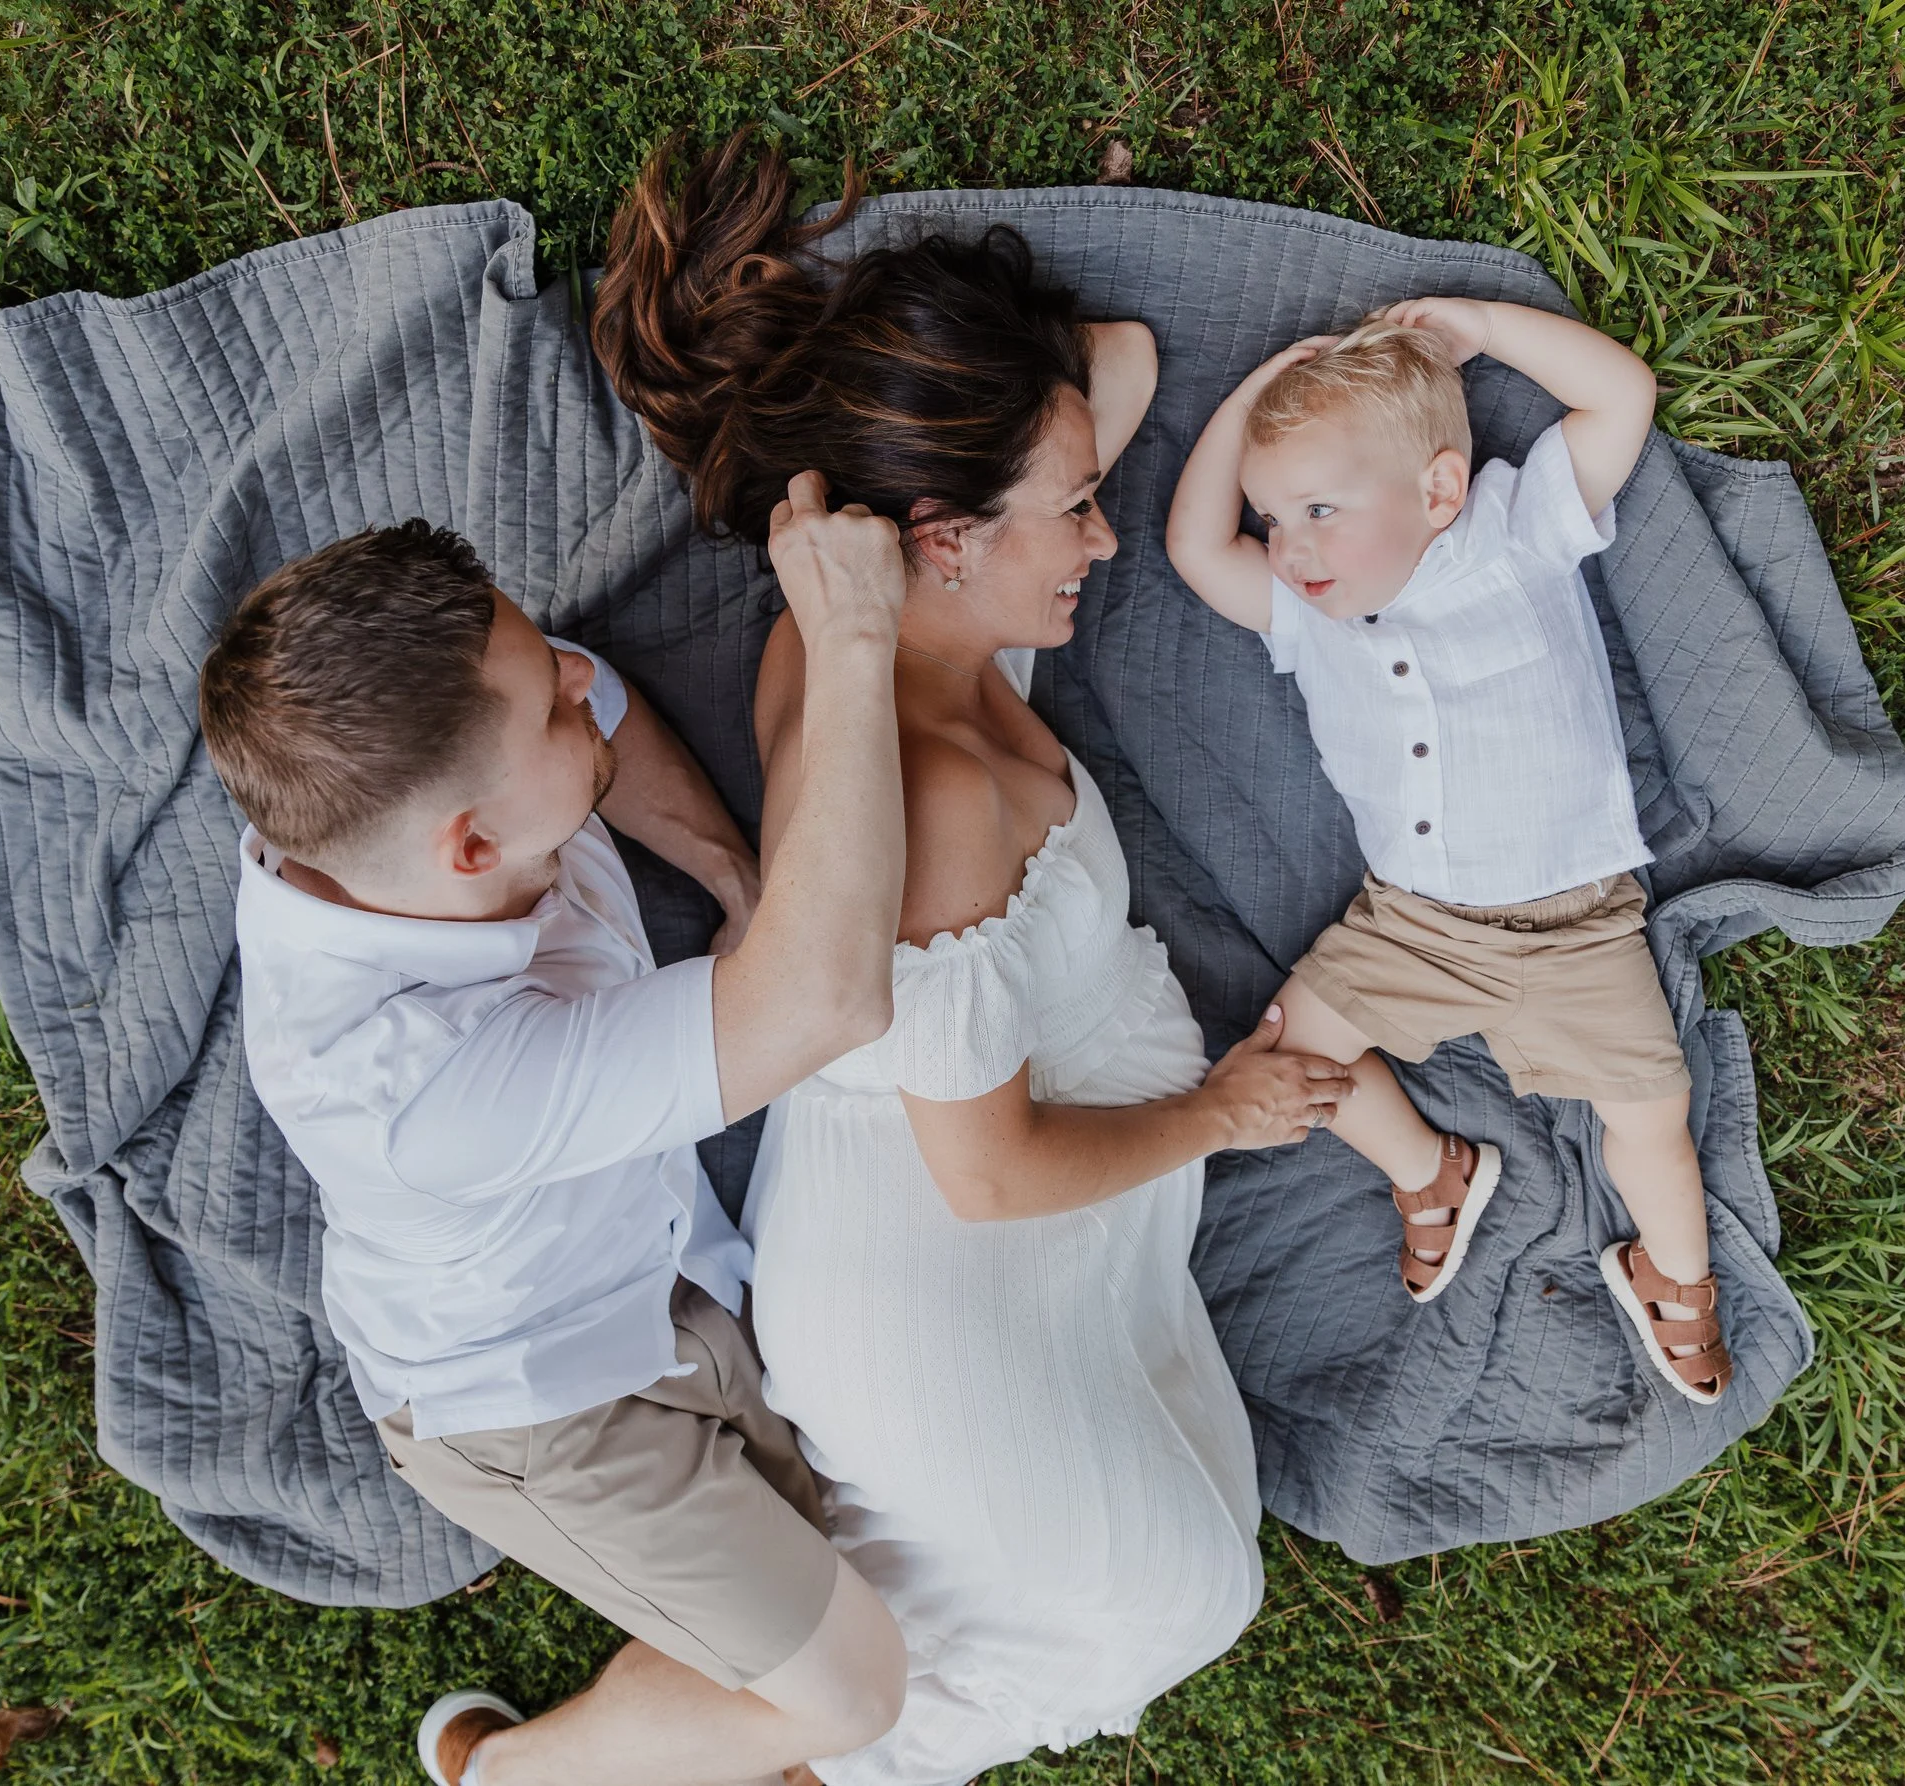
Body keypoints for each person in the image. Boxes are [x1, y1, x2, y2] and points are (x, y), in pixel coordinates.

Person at [595, 132, 1354, 1785]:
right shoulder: (929, 792)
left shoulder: (898, 627)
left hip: (1054, 1258)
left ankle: (701, 1743)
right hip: (951, 1267)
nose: (1107, 539)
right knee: (1178, 1596)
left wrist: (947, 421)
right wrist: (1229, 1111)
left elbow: (1119, 370)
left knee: (1163, 1587)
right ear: (940, 538)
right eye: (1075, 509)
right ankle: (567, 1764)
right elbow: (990, 1176)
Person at [200, 481, 921, 1784]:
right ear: (470, 846)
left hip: (660, 1260)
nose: (584, 684)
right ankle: (499, 1769)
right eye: (549, 701)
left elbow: (608, 704)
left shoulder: (382, 806)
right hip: (540, 1404)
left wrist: (731, 875)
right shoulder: (421, 1090)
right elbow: (833, 997)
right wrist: (859, 636)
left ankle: (734, 1702)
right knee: (861, 1689)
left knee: (832, 1554)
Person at [1164, 300, 1732, 1405]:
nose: (1292, 546)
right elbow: (1194, 546)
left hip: (1575, 922)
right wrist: (1251, 391)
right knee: (1284, 1052)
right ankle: (1433, 1170)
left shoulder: (1517, 529)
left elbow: (1621, 395)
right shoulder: (1307, 615)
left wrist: (1478, 323)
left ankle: (1676, 1272)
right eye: (1275, 517)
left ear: (1435, 491)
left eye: (1320, 509)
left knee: (1650, 1114)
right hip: (1409, 923)